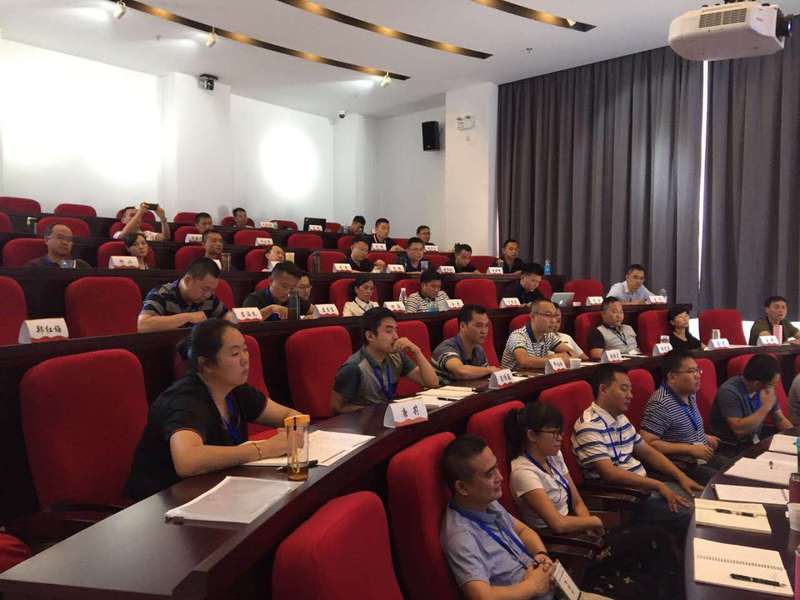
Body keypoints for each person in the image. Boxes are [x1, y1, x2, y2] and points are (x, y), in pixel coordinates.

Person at [505, 404, 683, 599]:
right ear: (531, 435)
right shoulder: (524, 473)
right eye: (554, 433)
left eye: (560, 432)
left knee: (657, 541)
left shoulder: (553, 457)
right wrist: (593, 522)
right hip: (564, 545)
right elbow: (557, 523)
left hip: (581, 531)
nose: (560, 438)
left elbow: (577, 502)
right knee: (648, 549)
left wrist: (589, 528)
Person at [124, 319, 300, 500]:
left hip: (214, 491)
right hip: (162, 502)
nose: (245, 359)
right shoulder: (185, 400)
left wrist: (295, 432)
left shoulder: (236, 390)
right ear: (206, 364)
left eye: (245, 350)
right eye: (235, 353)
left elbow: (290, 416)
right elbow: (188, 461)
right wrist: (265, 449)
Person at [572, 364, 703, 532]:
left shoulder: (620, 418)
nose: (630, 395)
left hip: (644, 485)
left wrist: (681, 477)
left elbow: (647, 452)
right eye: (624, 389)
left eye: (630, 390)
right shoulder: (589, 426)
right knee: (695, 513)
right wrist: (658, 485)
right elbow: (610, 473)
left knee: (702, 501)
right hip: (626, 496)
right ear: (603, 389)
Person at [440, 434, 556, 600]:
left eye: (496, 467)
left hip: (547, 585)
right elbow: (481, 596)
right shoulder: (460, 536)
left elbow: (523, 531)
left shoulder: (486, 502)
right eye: (489, 474)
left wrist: (540, 554)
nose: (500, 477)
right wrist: (532, 587)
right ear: (463, 487)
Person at [640, 350, 728, 484]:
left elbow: (683, 426)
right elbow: (648, 444)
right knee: (727, 482)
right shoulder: (660, 403)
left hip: (701, 456)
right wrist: (689, 449)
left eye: (698, 370)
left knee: (739, 468)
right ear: (672, 377)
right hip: (682, 465)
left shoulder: (689, 393)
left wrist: (704, 437)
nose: (698, 376)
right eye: (691, 371)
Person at [330, 307, 438, 413]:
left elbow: (432, 383)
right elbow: (336, 408)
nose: (396, 336)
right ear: (370, 336)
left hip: (389, 415)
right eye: (389, 331)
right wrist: (373, 410)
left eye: (396, 330)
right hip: (365, 420)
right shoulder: (353, 368)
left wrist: (417, 352)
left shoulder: (397, 356)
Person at [709, 354, 792, 450]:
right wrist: (765, 408)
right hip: (730, 445)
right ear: (757, 384)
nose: (775, 387)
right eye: (773, 384)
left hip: (754, 439)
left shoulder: (766, 389)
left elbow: (779, 419)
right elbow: (739, 430)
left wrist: (796, 438)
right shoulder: (729, 392)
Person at [138, 258, 233, 332]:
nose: (208, 295)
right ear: (188, 280)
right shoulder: (162, 294)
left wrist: (231, 319)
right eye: (205, 289)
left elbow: (226, 314)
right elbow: (143, 325)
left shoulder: (209, 298)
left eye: (212, 290)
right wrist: (188, 317)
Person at [432, 305, 500, 384]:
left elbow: (484, 376)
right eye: (479, 326)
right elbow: (461, 371)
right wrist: (490, 369)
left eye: (486, 325)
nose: (484, 331)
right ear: (463, 326)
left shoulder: (478, 349)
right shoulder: (445, 348)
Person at [501, 299, 572, 370]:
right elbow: (524, 361)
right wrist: (552, 359)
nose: (554, 320)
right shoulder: (518, 336)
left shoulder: (549, 336)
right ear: (533, 316)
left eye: (554, 316)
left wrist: (558, 358)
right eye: (548, 315)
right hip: (516, 376)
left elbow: (571, 353)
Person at [242, 261, 314, 320]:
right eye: (284, 286)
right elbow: (246, 323)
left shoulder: (294, 298)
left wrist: (311, 317)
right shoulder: (253, 299)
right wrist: (271, 309)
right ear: (271, 281)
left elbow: (317, 311)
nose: (287, 292)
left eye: (292, 288)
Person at [25, 224, 91, 268]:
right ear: (47, 240)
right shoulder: (34, 266)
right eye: (60, 238)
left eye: (69, 240)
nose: (65, 243)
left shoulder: (81, 266)